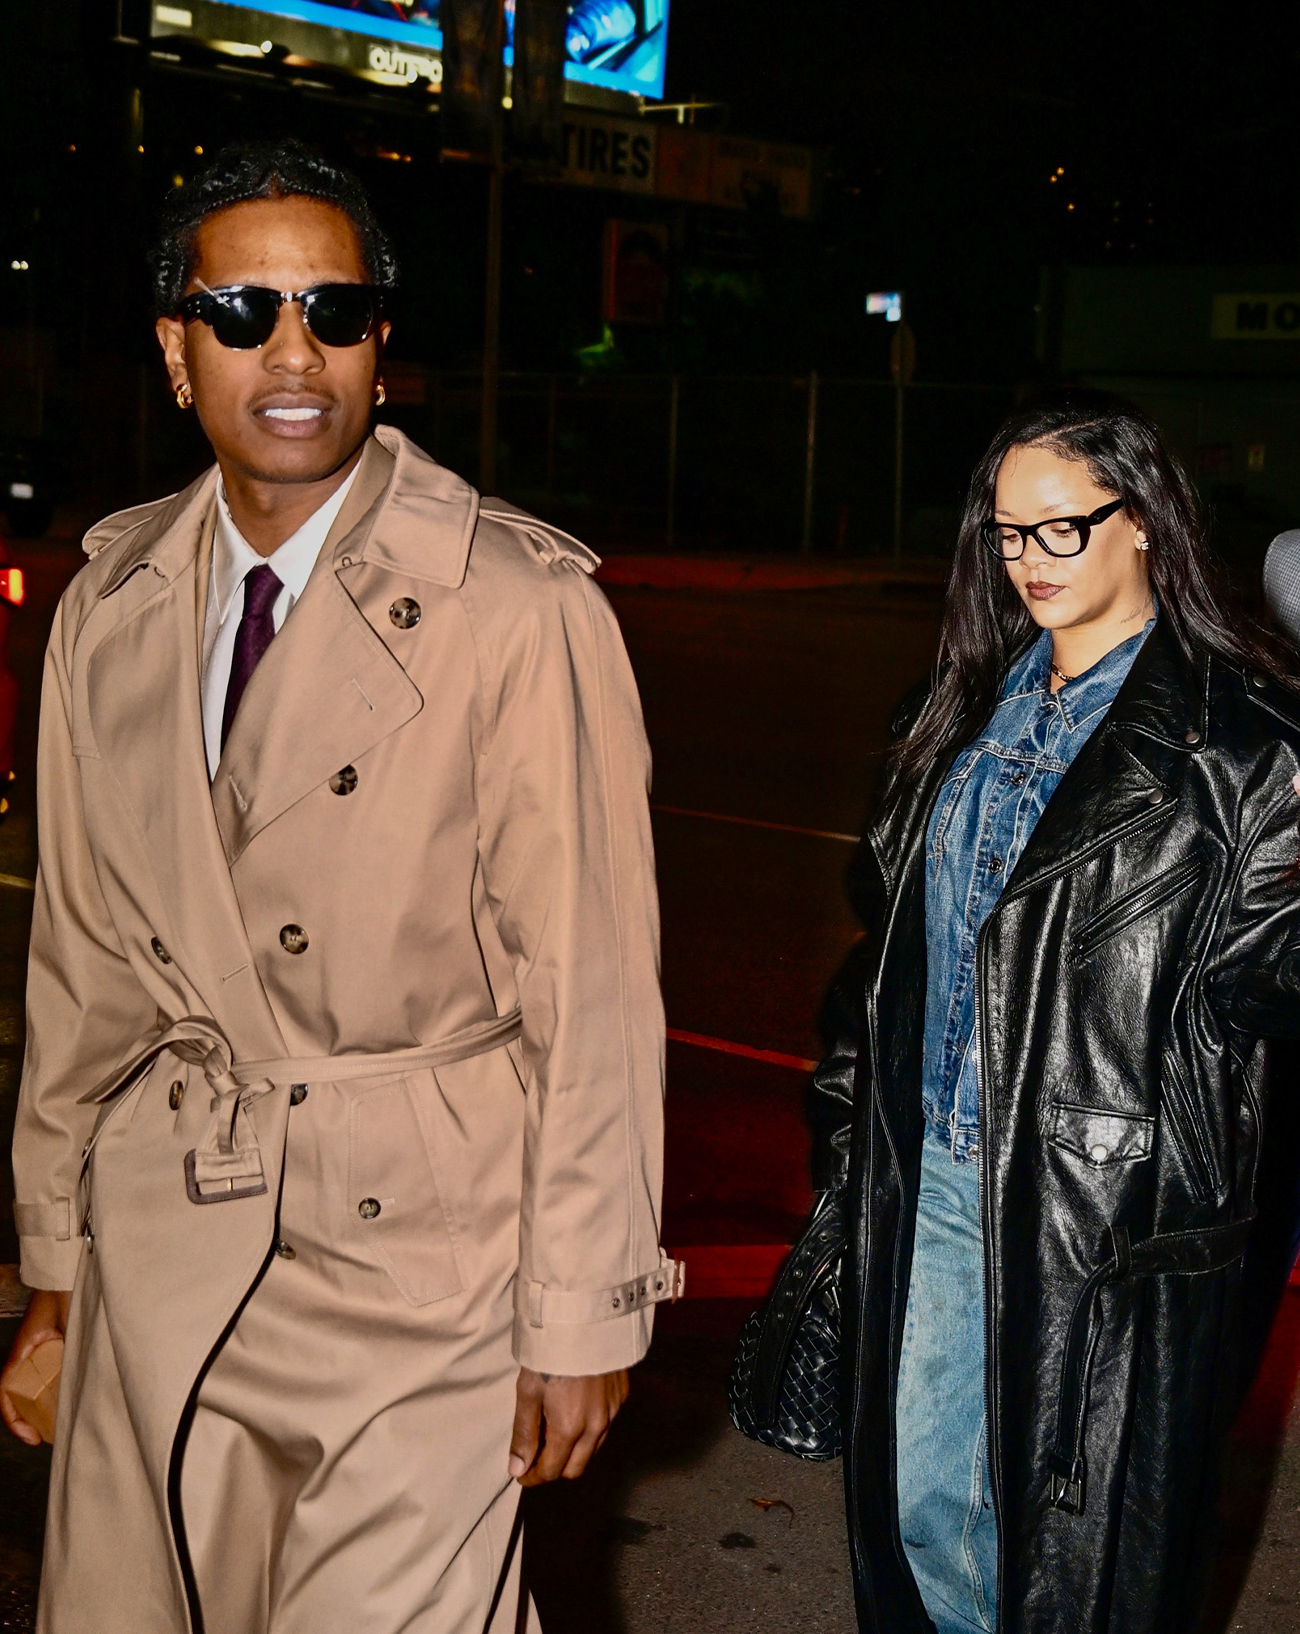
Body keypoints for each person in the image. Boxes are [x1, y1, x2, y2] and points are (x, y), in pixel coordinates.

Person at [0, 138, 678, 1634]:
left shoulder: (519, 606)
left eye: (336, 312)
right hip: (168, 1239)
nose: (290, 353)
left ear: (384, 346)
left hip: (423, 1268)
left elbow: (591, 987)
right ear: (178, 352)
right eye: (241, 314)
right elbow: (84, 970)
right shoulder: (108, 606)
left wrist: (581, 1309)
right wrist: (56, 1261)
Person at [807, 389, 1300, 1633]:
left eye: (1060, 527)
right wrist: (846, 1138)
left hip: (1097, 1221)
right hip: (930, 1175)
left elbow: (1269, 1004)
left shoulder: (1241, 751)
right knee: (923, 1516)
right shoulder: (961, 713)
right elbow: (886, 956)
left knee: (1059, 1563)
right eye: (1005, 532)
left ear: (1144, 522)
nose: (1027, 558)